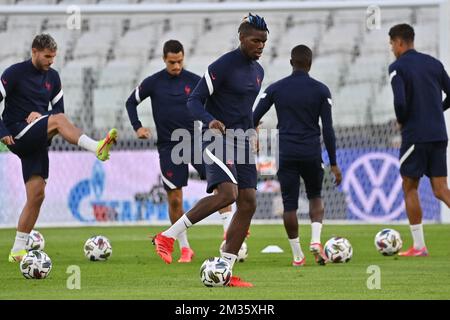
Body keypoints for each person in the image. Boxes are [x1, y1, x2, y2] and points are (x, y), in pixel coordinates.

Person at [152, 13, 268, 287]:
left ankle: (226, 270)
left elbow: (244, 110)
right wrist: (209, 121)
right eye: (255, 40)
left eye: (264, 41)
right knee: (228, 193)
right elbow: (194, 100)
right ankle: (167, 236)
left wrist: (253, 132)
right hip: (215, 137)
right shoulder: (223, 66)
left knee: (248, 202)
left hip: (241, 140)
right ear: (241, 39)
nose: (260, 46)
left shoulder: (259, 72)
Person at [0, 34, 117, 262]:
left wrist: (42, 119)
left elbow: (58, 110)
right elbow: (58, 118)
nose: (51, 61)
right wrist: (2, 131)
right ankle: (96, 147)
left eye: (53, 57)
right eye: (47, 56)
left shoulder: (53, 77)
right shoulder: (14, 73)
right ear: (34, 51)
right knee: (59, 120)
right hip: (17, 132)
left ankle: (17, 250)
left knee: (37, 195)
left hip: (37, 139)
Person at [125, 40, 233, 263]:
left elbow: (215, 101)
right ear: (164, 59)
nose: (176, 66)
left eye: (180, 61)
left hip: (196, 142)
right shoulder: (153, 82)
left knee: (222, 186)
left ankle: (229, 234)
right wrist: (138, 127)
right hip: (168, 146)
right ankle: (185, 248)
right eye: (172, 62)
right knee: (175, 199)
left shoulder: (194, 81)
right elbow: (130, 102)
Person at [253, 45, 342, 266]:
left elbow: (253, 115)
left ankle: (297, 255)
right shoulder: (321, 90)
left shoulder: (277, 88)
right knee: (315, 196)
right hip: (312, 152)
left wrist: (253, 129)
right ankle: (315, 240)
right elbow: (328, 129)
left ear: (291, 63)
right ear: (310, 64)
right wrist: (334, 163)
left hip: (287, 153)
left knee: (289, 204)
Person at [388, 23, 450, 256]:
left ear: (400, 42)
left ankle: (419, 246)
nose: (392, 48)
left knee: (409, 185)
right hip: (438, 133)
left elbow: (400, 102)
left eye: (392, 44)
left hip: (415, 134)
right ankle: (418, 246)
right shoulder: (434, 64)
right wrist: (437, 110)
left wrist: (403, 119)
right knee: (441, 189)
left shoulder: (397, 67)